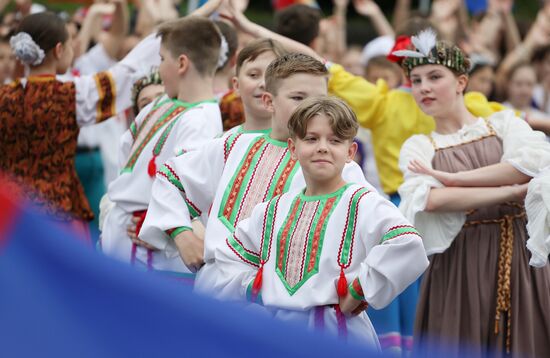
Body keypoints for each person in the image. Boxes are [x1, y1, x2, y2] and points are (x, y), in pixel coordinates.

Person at [139, 53, 372, 292]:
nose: (311, 109)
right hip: (216, 291)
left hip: (286, 306)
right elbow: (171, 178)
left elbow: (370, 231)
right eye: (298, 98)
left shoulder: (338, 167)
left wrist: (355, 290)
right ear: (269, 101)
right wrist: (182, 233)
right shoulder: (233, 146)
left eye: (319, 100)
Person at [214, 96, 428, 348]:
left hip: (336, 333)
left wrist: (360, 288)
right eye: (311, 138)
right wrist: (255, 288)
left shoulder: (362, 201)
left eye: (335, 140)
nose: (323, 147)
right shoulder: (273, 209)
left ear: (350, 152)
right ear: (293, 148)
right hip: (277, 332)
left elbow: (407, 243)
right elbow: (229, 258)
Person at [396, 30, 550, 357]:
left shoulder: (503, 123)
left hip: (518, 254)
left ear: (461, 82)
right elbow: (431, 200)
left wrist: (454, 179)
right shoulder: (420, 146)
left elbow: (526, 167)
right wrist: (508, 192)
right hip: (460, 259)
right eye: (417, 80)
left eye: (434, 76)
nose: (423, 87)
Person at [0, 11, 159, 242]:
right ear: (58, 50)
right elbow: (127, 71)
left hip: (11, 215)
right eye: (70, 45)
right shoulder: (72, 95)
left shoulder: (4, 97)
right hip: (60, 211)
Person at [100, 15, 223, 274]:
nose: (158, 67)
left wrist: (163, 226)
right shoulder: (160, 103)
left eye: (161, 59)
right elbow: (127, 152)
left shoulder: (201, 120)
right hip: (121, 228)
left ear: (181, 63)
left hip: (147, 249)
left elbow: (189, 190)